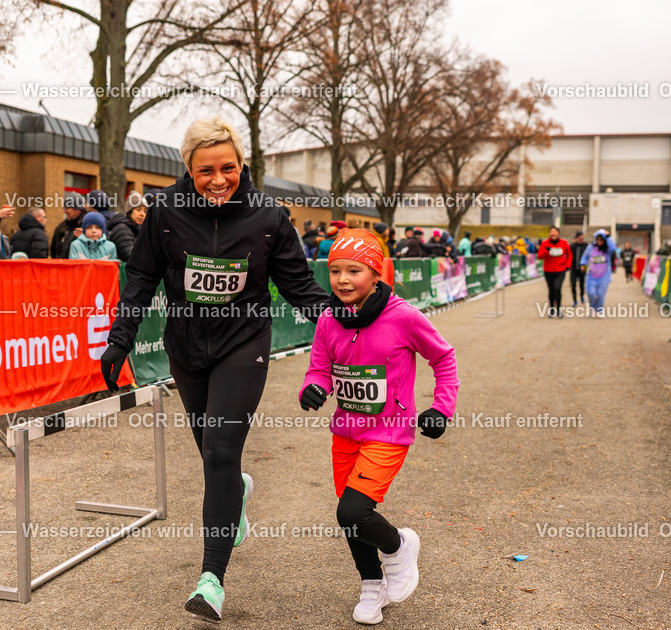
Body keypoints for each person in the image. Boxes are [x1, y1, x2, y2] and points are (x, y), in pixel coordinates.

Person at [99, 117, 329, 623]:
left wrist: (349, 326)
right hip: (187, 347)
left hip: (243, 342)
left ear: (241, 164)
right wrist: (122, 338)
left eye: (228, 167)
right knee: (211, 456)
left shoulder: (269, 215)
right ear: (187, 169)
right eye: (206, 171)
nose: (219, 179)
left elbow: (298, 286)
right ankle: (236, 493)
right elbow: (140, 274)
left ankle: (212, 579)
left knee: (222, 452)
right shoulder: (164, 213)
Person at [298, 228, 458, 625]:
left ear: (375, 274)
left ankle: (399, 545)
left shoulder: (403, 316)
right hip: (346, 431)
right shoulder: (329, 320)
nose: (343, 280)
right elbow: (319, 368)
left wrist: (441, 408)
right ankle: (372, 585)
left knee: (354, 511)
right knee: (349, 515)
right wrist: (313, 387)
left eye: (354, 270)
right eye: (335, 271)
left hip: (389, 431)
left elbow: (444, 359)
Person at [579, 229, 617, 315]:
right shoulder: (590, 247)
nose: (599, 241)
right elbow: (585, 257)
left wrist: (608, 237)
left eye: (601, 239)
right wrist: (583, 264)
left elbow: (613, 248)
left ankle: (599, 310)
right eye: (597, 239)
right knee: (590, 293)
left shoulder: (607, 250)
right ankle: (592, 306)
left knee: (600, 294)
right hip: (591, 276)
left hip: (604, 277)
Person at [537, 226, 572, 317]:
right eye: (551, 232)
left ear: (558, 233)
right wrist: (546, 251)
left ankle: (559, 309)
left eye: (555, 232)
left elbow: (569, 254)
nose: (553, 234)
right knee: (551, 290)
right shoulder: (545, 243)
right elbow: (540, 256)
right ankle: (552, 309)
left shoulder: (564, 243)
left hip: (560, 270)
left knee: (557, 288)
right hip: (548, 270)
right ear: (549, 234)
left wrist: (568, 265)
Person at [107, 195, 147, 262]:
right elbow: (129, 256)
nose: (142, 214)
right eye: (138, 210)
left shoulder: (136, 229)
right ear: (129, 211)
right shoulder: (122, 228)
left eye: (145, 211)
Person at [50, 194, 86, 259]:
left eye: (67, 208)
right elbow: (53, 251)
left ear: (77, 209)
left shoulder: (88, 227)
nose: (64, 211)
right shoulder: (61, 227)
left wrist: (85, 237)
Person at [569, 231, 588, 306]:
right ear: (577, 238)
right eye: (580, 238)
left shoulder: (586, 246)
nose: (582, 240)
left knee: (582, 284)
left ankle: (582, 296)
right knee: (573, 284)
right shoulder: (572, 246)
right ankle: (574, 300)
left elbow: (588, 257)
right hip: (573, 268)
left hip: (583, 268)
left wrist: (585, 265)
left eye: (583, 238)